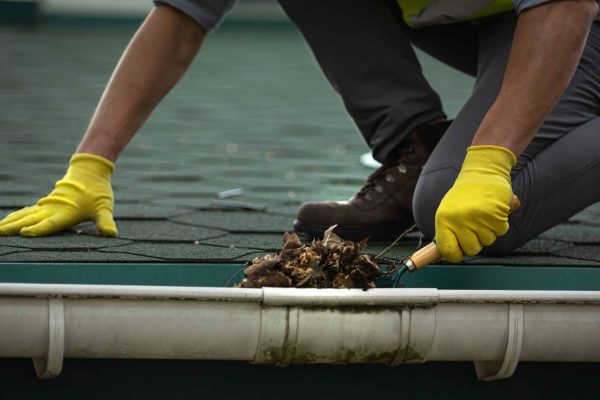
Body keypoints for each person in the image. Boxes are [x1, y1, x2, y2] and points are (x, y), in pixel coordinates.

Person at [0, 0, 598, 265]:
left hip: (573, 28)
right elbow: (181, 17)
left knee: (455, 206)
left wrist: (489, 161)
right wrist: (89, 168)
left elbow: (567, 6)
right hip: (497, 26)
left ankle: (444, 171)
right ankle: (414, 147)